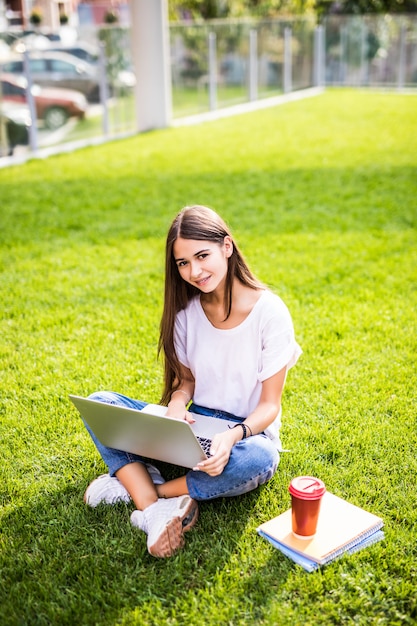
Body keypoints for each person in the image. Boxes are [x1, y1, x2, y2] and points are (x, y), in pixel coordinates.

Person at [82, 205, 301, 558]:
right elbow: (185, 382)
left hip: (246, 435)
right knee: (102, 403)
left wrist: (232, 436)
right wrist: (177, 404)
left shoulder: (270, 313)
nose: (195, 271)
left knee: (259, 459)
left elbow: (269, 405)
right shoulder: (187, 313)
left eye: (202, 256)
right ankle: (155, 506)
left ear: (227, 247)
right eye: (183, 263)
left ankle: (151, 492)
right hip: (193, 428)